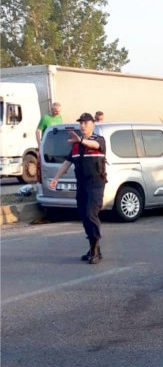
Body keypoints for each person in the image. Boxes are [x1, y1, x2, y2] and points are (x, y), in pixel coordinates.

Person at [49, 113, 108, 264]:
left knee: (90, 214)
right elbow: (67, 163)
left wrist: (81, 140)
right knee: (83, 215)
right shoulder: (76, 145)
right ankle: (94, 246)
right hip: (81, 184)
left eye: (85, 123)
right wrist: (56, 178)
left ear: (92, 124)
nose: (82, 125)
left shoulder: (98, 139)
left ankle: (94, 250)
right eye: (81, 123)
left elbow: (95, 146)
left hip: (95, 184)